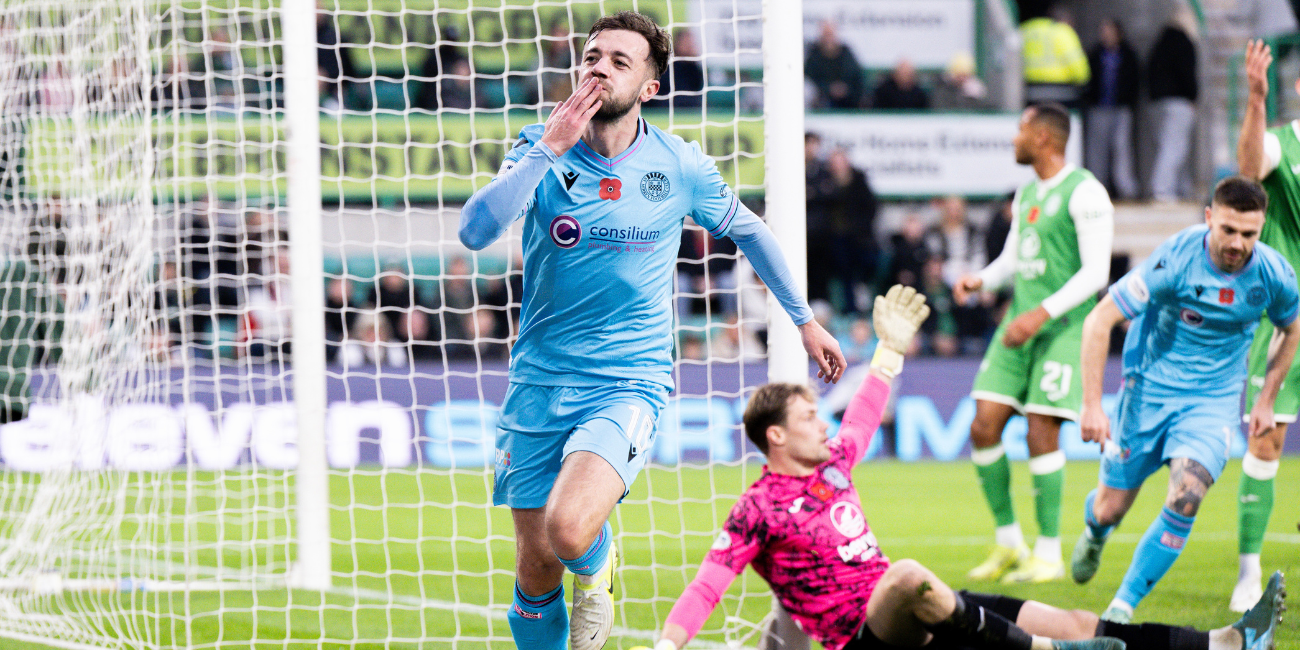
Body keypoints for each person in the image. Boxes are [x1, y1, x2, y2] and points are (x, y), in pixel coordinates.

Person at [457, 12, 845, 650]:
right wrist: (549, 149)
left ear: (650, 87)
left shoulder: (680, 165)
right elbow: (475, 232)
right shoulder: (539, 148)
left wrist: (803, 321)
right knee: (534, 571)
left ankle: (600, 561)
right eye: (591, 56)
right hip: (537, 378)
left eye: (618, 61)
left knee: (571, 531)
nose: (598, 68)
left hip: (627, 380)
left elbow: (749, 230)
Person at [645, 287, 1284, 650]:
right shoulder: (757, 507)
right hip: (865, 642)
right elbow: (709, 583)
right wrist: (670, 645)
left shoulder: (835, 464)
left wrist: (890, 349)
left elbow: (866, 412)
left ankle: (1224, 643)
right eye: (809, 415)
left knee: (1078, 622)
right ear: (776, 435)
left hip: (926, 618)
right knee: (906, 578)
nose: (824, 422)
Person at [1071, 176, 1300, 623]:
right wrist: (1092, 405)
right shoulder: (1174, 260)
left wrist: (1267, 398)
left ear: (1261, 228)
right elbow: (1099, 322)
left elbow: (1290, 328)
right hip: (1147, 394)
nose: (1237, 244)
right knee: (1110, 507)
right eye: (1228, 230)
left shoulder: (1274, 273)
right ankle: (1096, 532)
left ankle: (1122, 606)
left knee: (1187, 494)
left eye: (1249, 234)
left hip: (1211, 403)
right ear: (1210, 218)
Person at [952, 102, 1114, 583]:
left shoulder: (1086, 193)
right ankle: (1008, 543)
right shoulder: (1026, 194)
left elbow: (1096, 273)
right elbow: (1014, 259)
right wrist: (980, 281)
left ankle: (1047, 553)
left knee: (1040, 427)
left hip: (1063, 328)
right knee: (983, 425)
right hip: (1019, 324)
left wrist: (1041, 313)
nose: (1014, 138)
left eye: (1021, 129)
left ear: (1044, 137)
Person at [1231, 38, 1300, 613]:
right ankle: (1248, 573)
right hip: (1288, 319)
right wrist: (1256, 102)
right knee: (1266, 437)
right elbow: (1248, 174)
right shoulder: (1284, 143)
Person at [1083, 18, 1140, 201]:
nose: (1105, 35)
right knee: (1097, 151)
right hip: (1099, 108)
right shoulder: (1095, 54)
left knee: (1122, 149)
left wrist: (1128, 99)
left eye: (1109, 31)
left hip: (1120, 108)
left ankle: (1126, 189)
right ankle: (1097, 188)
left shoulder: (1128, 54)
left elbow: (1134, 80)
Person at [1146, 8, 1199, 203]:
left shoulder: (1158, 44)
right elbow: (1187, 74)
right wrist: (1193, 96)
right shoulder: (1184, 43)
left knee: (1169, 148)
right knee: (1174, 148)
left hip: (1157, 103)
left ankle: (1182, 188)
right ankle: (1162, 189)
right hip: (1178, 102)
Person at [1019, 5, 1090, 108]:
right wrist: (1083, 82)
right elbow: (1079, 68)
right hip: (1062, 93)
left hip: (1029, 92)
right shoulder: (1063, 32)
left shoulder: (1024, 30)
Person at [805, 21, 864, 109]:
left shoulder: (846, 53)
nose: (828, 38)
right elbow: (810, 79)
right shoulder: (814, 55)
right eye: (826, 34)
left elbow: (857, 76)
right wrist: (828, 89)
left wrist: (844, 89)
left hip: (848, 99)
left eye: (830, 34)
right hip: (822, 100)